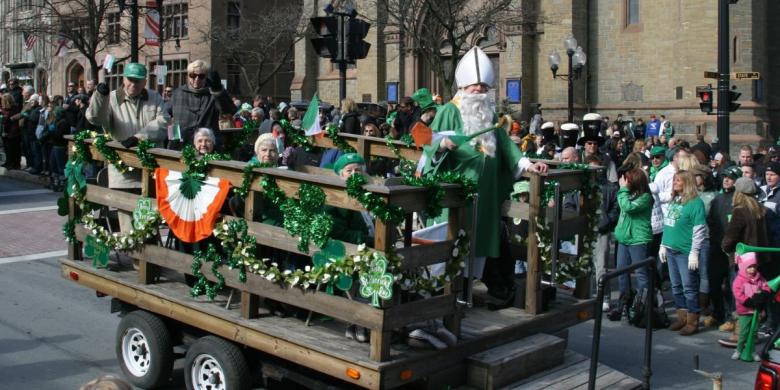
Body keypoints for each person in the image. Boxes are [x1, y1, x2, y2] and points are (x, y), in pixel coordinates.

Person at [425, 46, 548, 285]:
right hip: (457, 195)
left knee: (475, 252)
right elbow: (429, 143)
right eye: (475, 86)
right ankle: (443, 294)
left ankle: (466, 292)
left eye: (484, 87)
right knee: (450, 249)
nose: (480, 91)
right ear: (463, 87)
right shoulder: (448, 111)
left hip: (484, 195)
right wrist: (442, 145)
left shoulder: (490, 115)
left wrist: (527, 165)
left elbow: (505, 145)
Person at [86, 62, 169, 231]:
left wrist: (139, 137)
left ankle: (149, 256)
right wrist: (99, 97)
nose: (133, 84)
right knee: (128, 227)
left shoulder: (154, 98)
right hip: (123, 171)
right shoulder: (112, 98)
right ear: (123, 79)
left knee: (149, 223)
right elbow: (95, 118)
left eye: (138, 81)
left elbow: (164, 122)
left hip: (150, 170)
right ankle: (133, 257)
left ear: (145, 81)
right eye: (130, 80)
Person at [721, 177, 771, 346]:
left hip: (742, 261)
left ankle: (740, 334)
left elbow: (731, 237)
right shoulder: (761, 209)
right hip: (759, 260)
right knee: (755, 297)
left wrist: (725, 248)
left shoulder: (740, 211)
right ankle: (753, 333)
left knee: (741, 297)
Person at [659, 170, 707, 335]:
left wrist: (694, 252)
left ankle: (692, 321)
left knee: (689, 287)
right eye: (674, 180)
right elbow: (668, 224)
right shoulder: (675, 200)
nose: (675, 183)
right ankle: (682, 317)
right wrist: (663, 244)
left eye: (678, 180)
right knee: (676, 286)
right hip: (671, 250)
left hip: (685, 252)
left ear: (686, 182)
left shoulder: (695, 203)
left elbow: (699, 230)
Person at [168, 60, 236, 147]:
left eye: (201, 76)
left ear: (206, 77)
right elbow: (167, 117)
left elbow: (230, 111)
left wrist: (218, 91)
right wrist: (173, 140)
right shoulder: (178, 93)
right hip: (182, 144)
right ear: (188, 76)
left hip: (206, 145)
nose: (196, 79)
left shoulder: (213, 94)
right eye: (193, 75)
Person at [708, 165, 742, 332]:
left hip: (733, 251)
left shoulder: (739, 200)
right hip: (716, 247)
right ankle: (718, 314)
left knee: (731, 286)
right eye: (725, 177)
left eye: (731, 178)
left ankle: (732, 318)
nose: (726, 180)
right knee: (714, 283)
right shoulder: (717, 199)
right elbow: (711, 222)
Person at [614, 168, 654, 305]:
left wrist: (623, 190)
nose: (624, 182)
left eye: (627, 179)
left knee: (641, 273)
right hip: (624, 238)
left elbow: (628, 208)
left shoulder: (646, 197)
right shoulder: (628, 194)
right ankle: (624, 302)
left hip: (638, 239)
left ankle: (643, 305)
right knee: (621, 270)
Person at [731, 254, 771, 361]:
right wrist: (748, 301)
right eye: (749, 267)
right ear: (744, 266)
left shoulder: (760, 278)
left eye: (754, 266)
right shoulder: (739, 280)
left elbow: (766, 287)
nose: (752, 269)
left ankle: (752, 351)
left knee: (753, 333)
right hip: (744, 310)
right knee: (743, 332)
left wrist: (763, 294)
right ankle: (738, 350)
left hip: (756, 311)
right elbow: (738, 293)